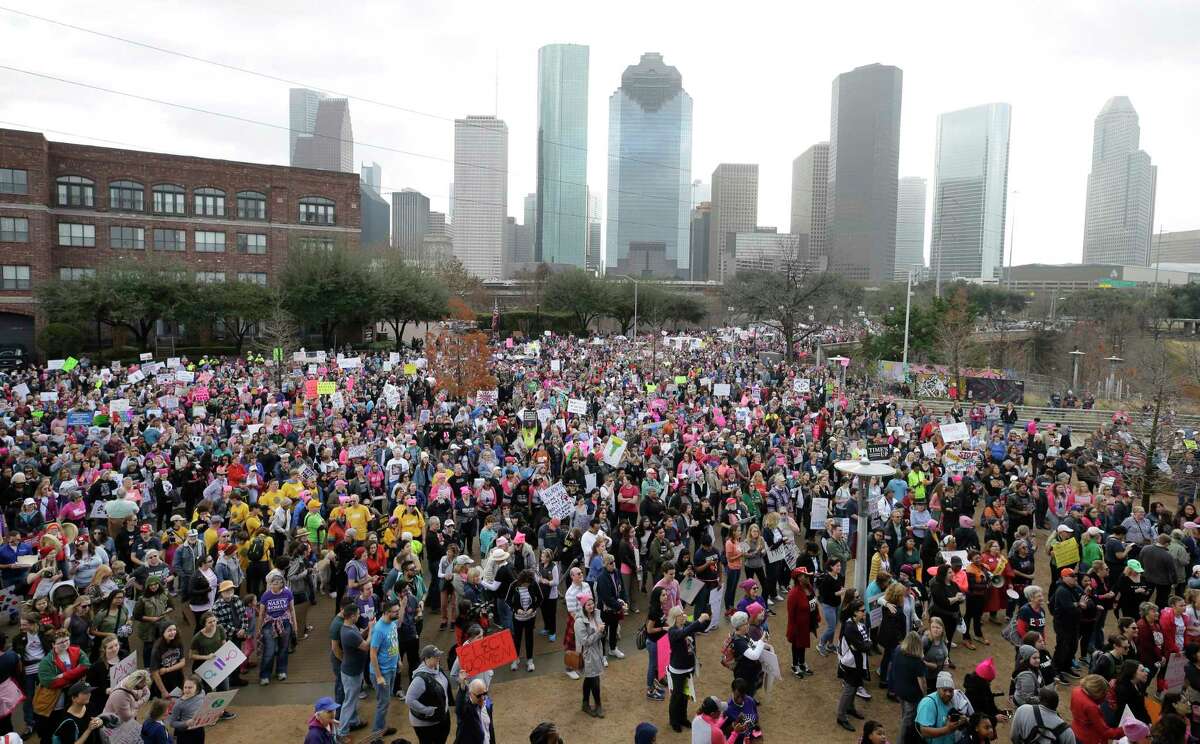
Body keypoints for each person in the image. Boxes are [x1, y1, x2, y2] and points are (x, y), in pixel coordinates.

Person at [666, 604, 710, 733]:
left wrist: (707, 616)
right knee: (676, 696)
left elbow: (702, 627)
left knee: (686, 694)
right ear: (676, 617)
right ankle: (674, 721)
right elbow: (683, 633)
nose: (684, 615)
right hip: (678, 669)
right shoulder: (672, 631)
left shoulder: (687, 625)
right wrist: (699, 620)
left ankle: (683, 718)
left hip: (688, 667)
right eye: (681, 614)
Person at [335, 603, 370, 740]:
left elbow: (359, 637)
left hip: (354, 671)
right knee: (349, 702)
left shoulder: (350, 627)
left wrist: (367, 629)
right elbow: (366, 646)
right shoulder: (348, 632)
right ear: (352, 616)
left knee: (352, 698)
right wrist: (372, 630)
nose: (359, 615)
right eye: (358, 613)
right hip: (351, 673)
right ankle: (342, 733)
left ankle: (354, 722)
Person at [370, 598, 402, 740]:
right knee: (383, 703)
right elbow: (373, 653)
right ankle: (376, 735)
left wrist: (399, 659)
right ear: (387, 612)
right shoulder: (378, 629)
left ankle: (382, 727)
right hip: (382, 672)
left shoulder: (392, 623)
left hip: (392, 668)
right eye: (395, 612)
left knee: (386, 700)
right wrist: (378, 676)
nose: (398, 614)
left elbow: (395, 641)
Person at [258, 569, 297, 685]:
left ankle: (281, 671)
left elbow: (292, 609)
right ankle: (265, 675)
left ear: (281, 584)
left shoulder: (287, 593)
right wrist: (259, 629)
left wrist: (295, 625)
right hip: (269, 623)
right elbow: (261, 613)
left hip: (285, 622)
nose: (271, 586)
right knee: (269, 649)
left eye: (274, 583)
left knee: (283, 648)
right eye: (271, 583)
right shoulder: (266, 595)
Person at [836, 600, 870, 731]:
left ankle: (850, 708)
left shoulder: (856, 623)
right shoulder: (850, 627)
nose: (864, 613)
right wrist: (868, 644)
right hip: (851, 664)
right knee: (849, 688)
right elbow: (862, 646)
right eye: (862, 611)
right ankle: (841, 716)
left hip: (857, 662)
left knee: (855, 685)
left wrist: (866, 644)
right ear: (855, 612)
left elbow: (863, 644)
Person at [406, 645, 451, 744]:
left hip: (441, 717)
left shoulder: (438, 669)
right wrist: (428, 711)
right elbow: (409, 699)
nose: (438, 658)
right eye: (435, 657)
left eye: (439, 655)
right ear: (426, 659)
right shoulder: (420, 679)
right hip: (425, 723)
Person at [574, 593, 606, 718]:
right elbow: (585, 641)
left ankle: (585, 703)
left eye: (592, 603)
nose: (591, 606)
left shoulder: (596, 614)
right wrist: (599, 632)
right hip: (588, 654)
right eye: (588, 604)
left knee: (589, 678)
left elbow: (601, 629)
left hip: (597, 651)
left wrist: (602, 631)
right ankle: (598, 705)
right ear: (583, 606)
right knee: (594, 679)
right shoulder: (579, 622)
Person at [915, 672, 968, 744]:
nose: (948, 694)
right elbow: (924, 731)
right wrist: (947, 729)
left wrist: (961, 721)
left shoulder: (953, 699)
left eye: (951, 690)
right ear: (938, 689)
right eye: (945, 690)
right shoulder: (928, 703)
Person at [1010, 687, 1075, 744]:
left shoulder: (1023, 709)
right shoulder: (1067, 732)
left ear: (1039, 699)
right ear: (1056, 705)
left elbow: (1013, 737)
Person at [1070, 674, 1122, 744]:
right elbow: (1106, 732)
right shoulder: (1091, 707)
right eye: (1104, 694)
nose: (1105, 697)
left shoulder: (1076, 690)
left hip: (1075, 729)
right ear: (1098, 692)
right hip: (1088, 738)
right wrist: (1124, 730)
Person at [785, 566, 817, 677]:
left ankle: (802, 663)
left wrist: (816, 617)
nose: (808, 577)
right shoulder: (793, 594)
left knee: (802, 644)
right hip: (797, 626)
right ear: (798, 578)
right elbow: (791, 613)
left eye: (808, 575)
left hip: (807, 623)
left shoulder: (809, 587)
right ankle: (795, 665)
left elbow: (814, 603)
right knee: (796, 645)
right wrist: (793, 628)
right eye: (805, 575)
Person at [453, 678, 495, 744]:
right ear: (470, 694)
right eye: (479, 696)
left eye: (484, 693)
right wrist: (462, 688)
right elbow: (459, 709)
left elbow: (490, 728)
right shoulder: (466, 710)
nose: (482, 698)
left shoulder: (488, 703)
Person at [167, 675, 207, 744]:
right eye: (185, 687)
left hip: (200, 730)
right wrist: (186, 723)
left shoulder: (202, 693)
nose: (187, 690)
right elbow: (172, 723)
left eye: (190, 687)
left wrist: (216, 712)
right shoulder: (179, 703)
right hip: (185, 734)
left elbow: (204, 706)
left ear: (197, 688)